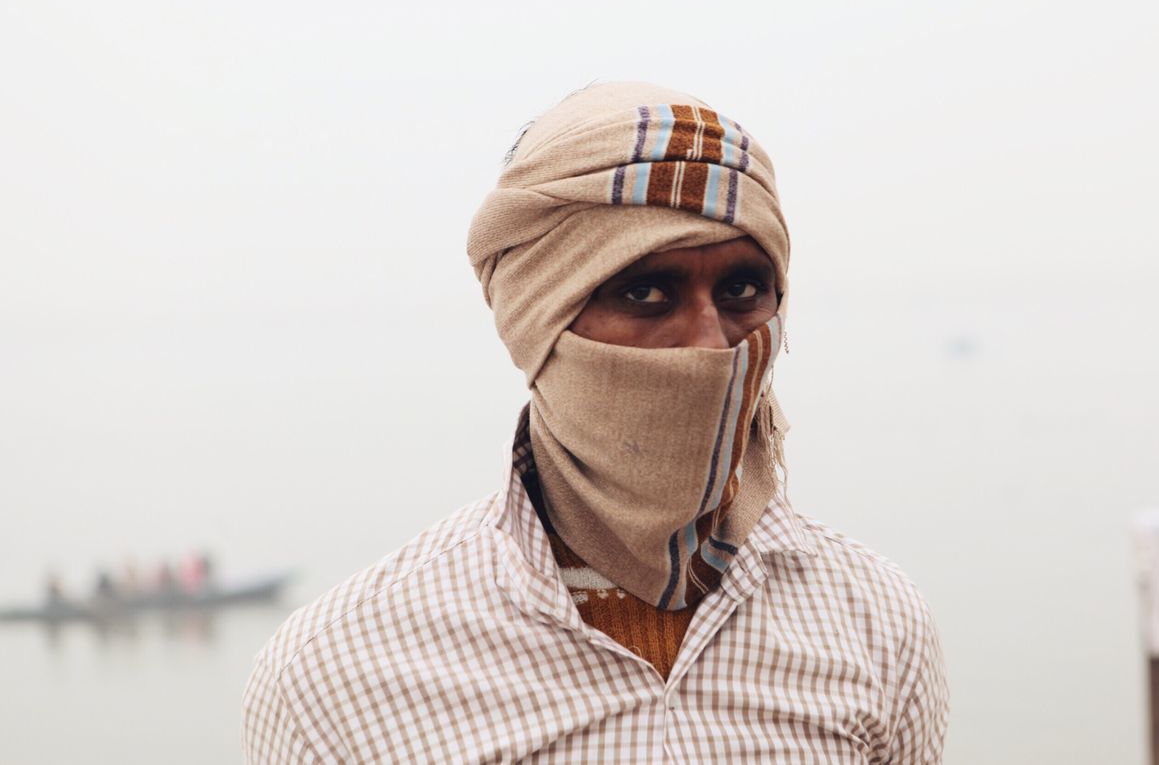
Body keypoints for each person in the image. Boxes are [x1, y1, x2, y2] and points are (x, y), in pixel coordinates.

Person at [242, 82, 949, 762]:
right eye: (645, 291)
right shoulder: (340, 671)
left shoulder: (874, 622)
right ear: (536, 319)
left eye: (740, 289)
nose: (711, 344)